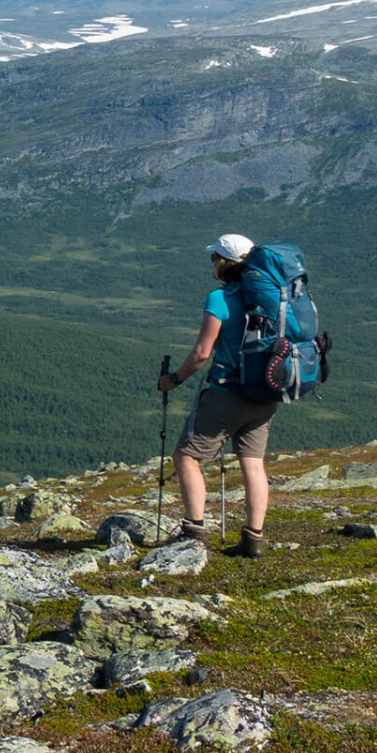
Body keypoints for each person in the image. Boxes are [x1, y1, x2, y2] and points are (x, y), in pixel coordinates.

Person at [156, 233, 274, 558]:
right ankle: (253, 540)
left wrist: (174, 380)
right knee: (252, 463)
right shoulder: (270, 296)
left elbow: (200, 354)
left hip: (228, 392)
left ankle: (194, 531)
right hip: (266, 391)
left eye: (215, 258)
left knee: (186, 456)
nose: (213, 263)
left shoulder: (219, 300)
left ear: (225, 262)